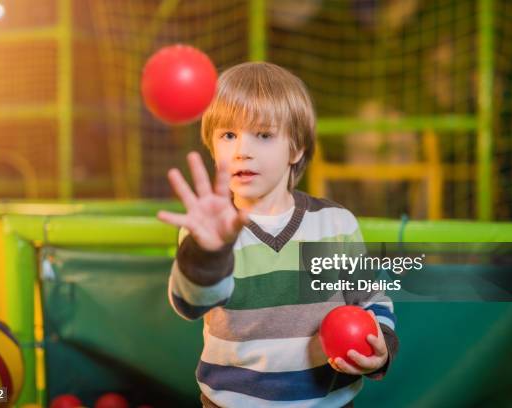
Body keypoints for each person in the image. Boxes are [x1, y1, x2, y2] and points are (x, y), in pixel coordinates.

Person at [157, 62, 398, 407]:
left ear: (296, 149)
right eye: (228, 135)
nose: (242, 150)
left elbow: (371, 301)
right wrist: (210, 251)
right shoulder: (209, 230)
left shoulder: (334, 223)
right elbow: (190, 304)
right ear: (213, 147)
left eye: (264, 135)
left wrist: (381, 346)